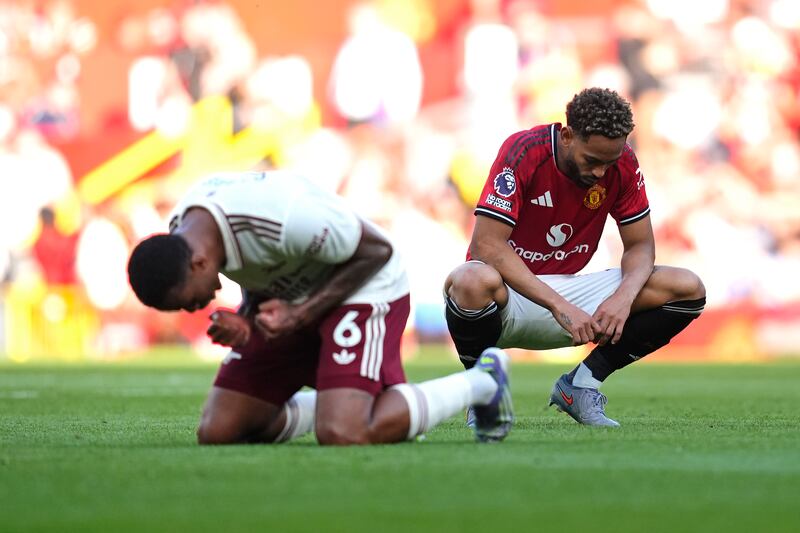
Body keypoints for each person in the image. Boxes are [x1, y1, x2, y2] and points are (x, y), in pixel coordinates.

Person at [127, 170, 513, 445]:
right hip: (301, 297)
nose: (199, 306)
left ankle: (483, 382)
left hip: (365, 285)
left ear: (197, 264)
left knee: (343, 432)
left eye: (189, 300)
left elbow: (376, 252)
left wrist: (300, 314)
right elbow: (262, 270)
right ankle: (349, 398)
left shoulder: (282, 217)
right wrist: (248, 322)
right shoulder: (189, 230)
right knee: (220, 430)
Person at [444, 88, 706, 427]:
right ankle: (482, 393)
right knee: (470, 278)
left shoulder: (622, 162)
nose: (600, 172)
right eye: (592, 161)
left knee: (686, 286)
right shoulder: (525, 151)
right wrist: (560, 306)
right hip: (508, 295)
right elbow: (487, 247)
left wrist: (623, 298)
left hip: (572, 291)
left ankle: (581, 386)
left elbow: (640, 246)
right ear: (568, 135)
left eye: (608, 162)